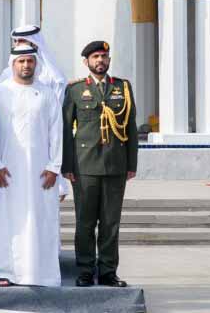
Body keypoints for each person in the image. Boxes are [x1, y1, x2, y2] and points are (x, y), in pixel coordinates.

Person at [62, 40, 137, 288]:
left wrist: (131, 163)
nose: (100, 61)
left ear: (109, 60)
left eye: (104, 56)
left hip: (115, 164)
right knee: (85, 222)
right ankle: (85, 270)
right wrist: (67, 165)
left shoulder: (122, 87)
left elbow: (131, 127)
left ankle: (108, 272)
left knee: (110, 222)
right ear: (86, 62)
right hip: (84, 166)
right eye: (95, 57)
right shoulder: (75, 90)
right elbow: (66, 130)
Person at [0, 43, 63, 288]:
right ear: (13, 64)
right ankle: (4, 271)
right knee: (7, 220)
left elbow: (57, 133)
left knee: (41, 219)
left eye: (30, 61)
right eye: (21, 61)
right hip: (8, 172)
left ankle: (42, 274)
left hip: (42, 172)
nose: (26, 65)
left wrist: (54, 167)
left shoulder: (47, 94)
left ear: (36, 64)